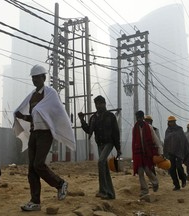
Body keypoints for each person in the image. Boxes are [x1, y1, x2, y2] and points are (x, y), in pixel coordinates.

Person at [13, 64, 76, 211]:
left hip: (46, 133)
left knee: (38, 164)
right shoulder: (32, 96)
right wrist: (22, 117)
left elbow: (56, 113)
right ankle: (35, 201)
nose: (35, 80)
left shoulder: (50, 94)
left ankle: (60, 184)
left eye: (37, 77)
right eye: (33, 77)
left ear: (44, 77)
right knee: (32, 169)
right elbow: (34, 117)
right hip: (35, 133)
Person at [78, 95, 121, 200]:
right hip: (100, 143)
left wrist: (118, 148)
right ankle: (110, 193)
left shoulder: (110, 116)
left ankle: (103, 191)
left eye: (100, 103)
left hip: (109, 143)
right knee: (104, 167)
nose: (98, 106)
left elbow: (116, 132)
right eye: (96, 104)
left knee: (101, 162)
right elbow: (89, 130)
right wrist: (82, 120)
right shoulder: (94, 118)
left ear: (104, 104)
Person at [132, 110, 160, 197]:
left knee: (148, 170)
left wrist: (160, 152)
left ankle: (155, 182)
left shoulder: (149, 127)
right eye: (137, 118)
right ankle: (144, 190)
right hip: (138, 154)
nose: (139, 119)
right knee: (140, 172)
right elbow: (134, 142)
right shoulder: (135, 128)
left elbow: (156, 140)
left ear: (143, 118)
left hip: (147, 153)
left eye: (140, 118)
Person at [163, 116, 189, 191]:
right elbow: (166, 142)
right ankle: (176, 185)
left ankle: (183, 179)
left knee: (179, 167)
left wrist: (185, 150)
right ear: (168, 123)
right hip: (170, 153)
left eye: (173, 121)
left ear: (175, 122)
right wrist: (165, 153)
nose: (172, 123)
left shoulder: (179, 129)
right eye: (170, 122)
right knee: (172, 170)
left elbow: (184, 140)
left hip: (179, 152)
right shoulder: (167, 131)